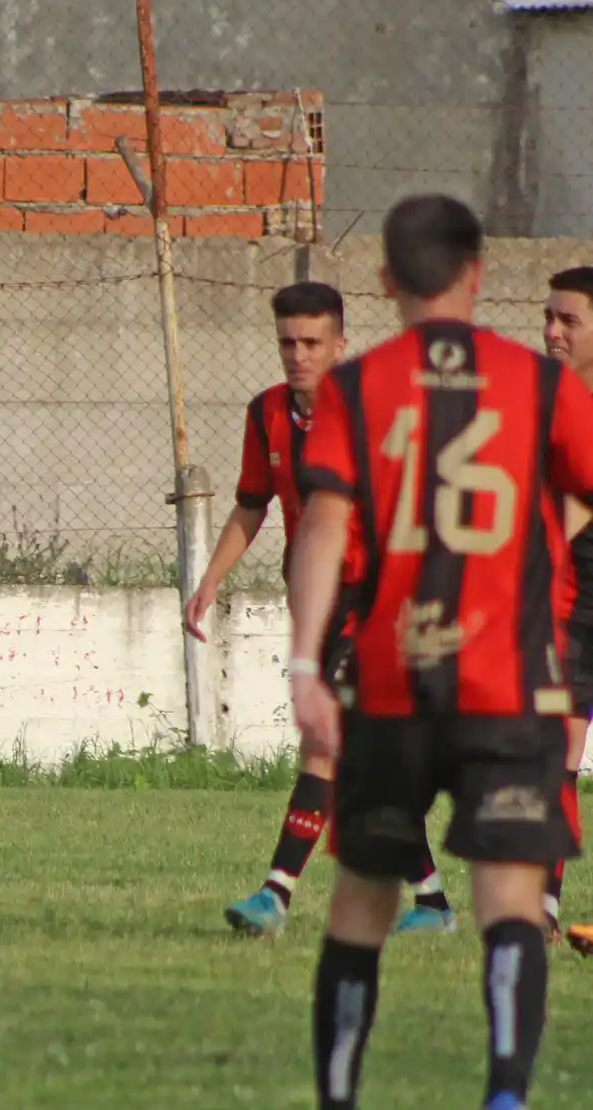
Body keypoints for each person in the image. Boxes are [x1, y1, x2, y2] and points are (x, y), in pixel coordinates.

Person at [289, 193, 593, 1110]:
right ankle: (504, 1095)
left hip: (389, 686)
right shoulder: (542, 386)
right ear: (478, 275)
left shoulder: (351, 387)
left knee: (361, 904)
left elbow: (320, 524)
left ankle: (339, 1097)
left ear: (385, 282)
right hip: (509, 686)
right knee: (508, 902)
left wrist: (305, 664)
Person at [184, 282, 455, 937]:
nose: (297, 355)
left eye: (311, 342)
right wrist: (209, 582)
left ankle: (275, 895)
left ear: (341, 344)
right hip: (318, 607)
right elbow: (253, 503)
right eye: (286, 342)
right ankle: (433, 902)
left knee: (325, 747)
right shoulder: (267, 415)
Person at [543, 267, 593, 952]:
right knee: (555, 756)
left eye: (569, 321)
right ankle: (545, 913)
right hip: (573, 601)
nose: (552, 331)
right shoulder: (543, 401)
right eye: (547, 317)